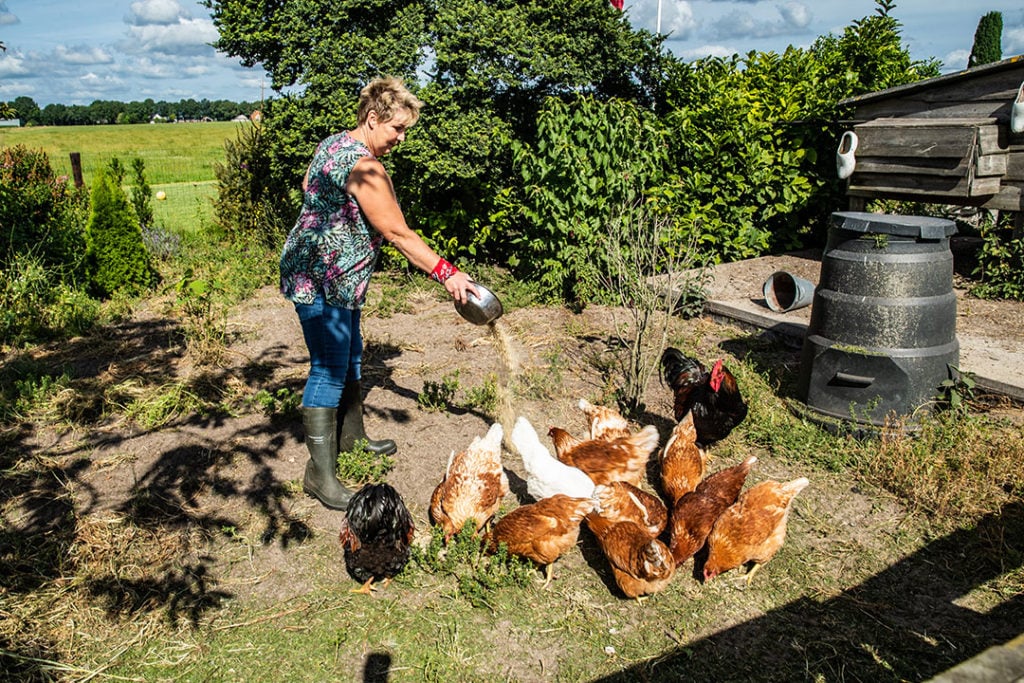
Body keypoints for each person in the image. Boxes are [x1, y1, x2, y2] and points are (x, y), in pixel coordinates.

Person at [280, 76, 477, 510]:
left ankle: (350, 440)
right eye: (397, 129)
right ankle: (320, 475)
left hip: (337, 275)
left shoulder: (332, 144)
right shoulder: (365, 166)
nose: (402, 139)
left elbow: (309, 194)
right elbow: (396, 232)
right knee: (329, 368)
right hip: (321, 277)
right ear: (373, 118)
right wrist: (448, 273)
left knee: (350, 352)